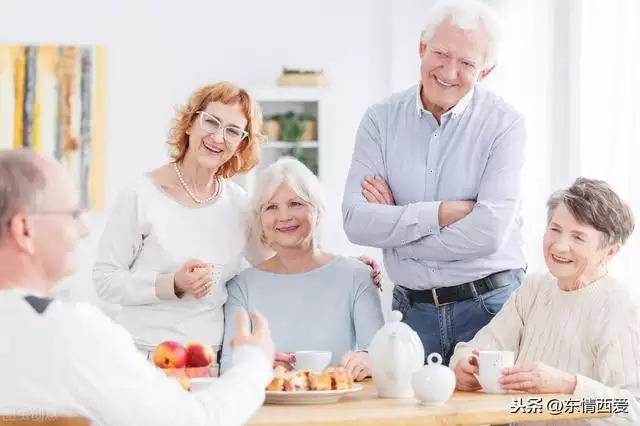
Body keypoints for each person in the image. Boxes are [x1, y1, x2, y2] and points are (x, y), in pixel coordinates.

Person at [93, 82, 382, 361]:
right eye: (211, 122)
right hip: (144, 355)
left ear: (242, 145)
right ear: (190, 123)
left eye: (233, 131)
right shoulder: (141, 195)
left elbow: (280, 262)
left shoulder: (239, 204)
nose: (218, 138)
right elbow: (105, 281)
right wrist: (172, 284)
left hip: (209, 361)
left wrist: (343, 266)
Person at [0, 148, 276, 425]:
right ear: (25, 230)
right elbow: (195, 421)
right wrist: (254, 362)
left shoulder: (235, 203)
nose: (83, 229)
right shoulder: (68, 333)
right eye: (72, 214)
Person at [342, 0, 526, 365]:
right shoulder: (380, 120)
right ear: (422, 48)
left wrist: (398, 230)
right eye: (441, 53)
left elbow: (489, 234)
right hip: (411, 314)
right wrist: (440, 213)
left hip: (490, 308)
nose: (449, 70)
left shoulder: (505, 124)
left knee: (497, 421)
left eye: (468, 63)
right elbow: (355, 221)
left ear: (485, 71)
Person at [450, 178, 639, 425]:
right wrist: (462, 367)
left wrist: (568, 385)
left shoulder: (620, 308)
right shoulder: (533, 289)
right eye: (555, 229)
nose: (560, 246)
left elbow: (631, 408)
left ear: (610, 252)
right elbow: (481, 347)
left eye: (578, 238)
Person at [221, 157, 385, 380]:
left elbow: (379, 354)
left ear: (316, 209)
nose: (284, 216)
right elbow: (230, 366)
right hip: (270, 409)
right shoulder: (241, 286)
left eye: (295, 203)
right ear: (260, 220)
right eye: (271, 207)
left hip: (337, 406)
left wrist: (368, 360)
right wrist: (259, 365)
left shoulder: (357, 276)